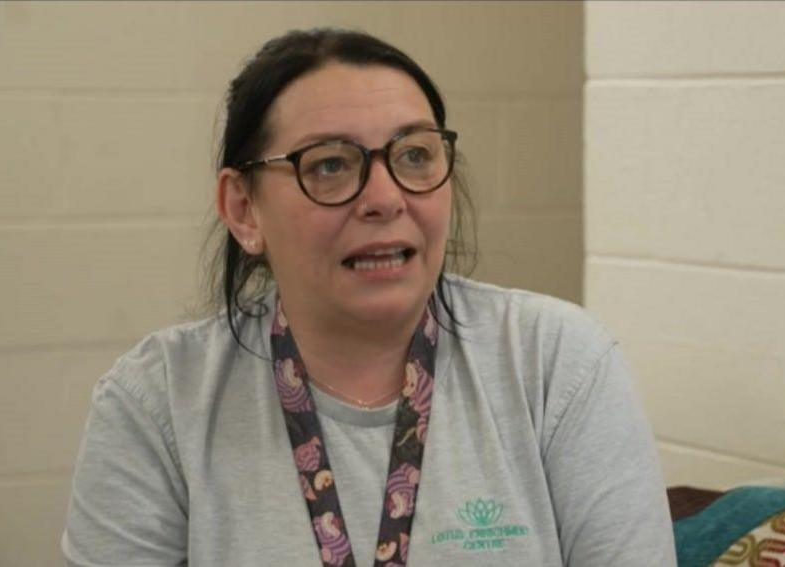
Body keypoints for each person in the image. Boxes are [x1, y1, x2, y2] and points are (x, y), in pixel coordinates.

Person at [61, 28, 676, 567]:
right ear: (244, 210)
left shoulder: (558, 364)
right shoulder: (156, 404)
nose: (385, 197)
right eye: (330, 165)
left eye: (414, 155)